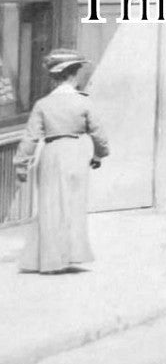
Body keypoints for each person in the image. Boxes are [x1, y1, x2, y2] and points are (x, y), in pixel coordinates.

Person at [13, 50, 109, 273]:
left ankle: (50, 260)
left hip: (51, 154)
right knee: (73, 205)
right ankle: (70, 255)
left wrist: (21, 164)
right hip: (75, 153)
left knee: (50, 206)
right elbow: (99, 135)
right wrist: (98, 155)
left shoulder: (43, 104)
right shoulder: (84, 103)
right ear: (73, 74)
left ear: (54, 77)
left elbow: (30, 137)